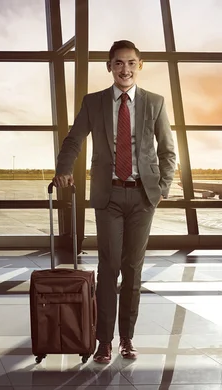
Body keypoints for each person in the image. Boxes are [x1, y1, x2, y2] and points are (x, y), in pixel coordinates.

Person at [52, 40, 176, 364]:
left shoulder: (155, 103)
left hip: (143, 196)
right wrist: (64, 168)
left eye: (131, 63)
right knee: (109, 267)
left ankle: (127, 338)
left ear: (140, 65)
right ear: (109, 66)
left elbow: (168, 151)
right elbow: (74, 139)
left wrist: (161, 188)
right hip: (108, 196)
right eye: (119, 63)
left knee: (133, 269)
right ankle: (103, 341)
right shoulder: (93, 103)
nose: (125, 69)